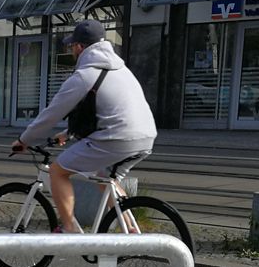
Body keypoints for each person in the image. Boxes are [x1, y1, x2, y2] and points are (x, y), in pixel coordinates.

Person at [11, 20, 157, 233]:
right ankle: (131, 228)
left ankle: (71, 233)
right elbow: (106, 113)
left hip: (117, 139)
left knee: (57, 172)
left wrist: (24, 141)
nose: (71, 50)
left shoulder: (84, 75)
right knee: (104, 176)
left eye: (71, 46)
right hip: (145, 136)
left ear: (80, 47)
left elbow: (51, 114)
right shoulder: (122, 69)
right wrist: (68, 134)